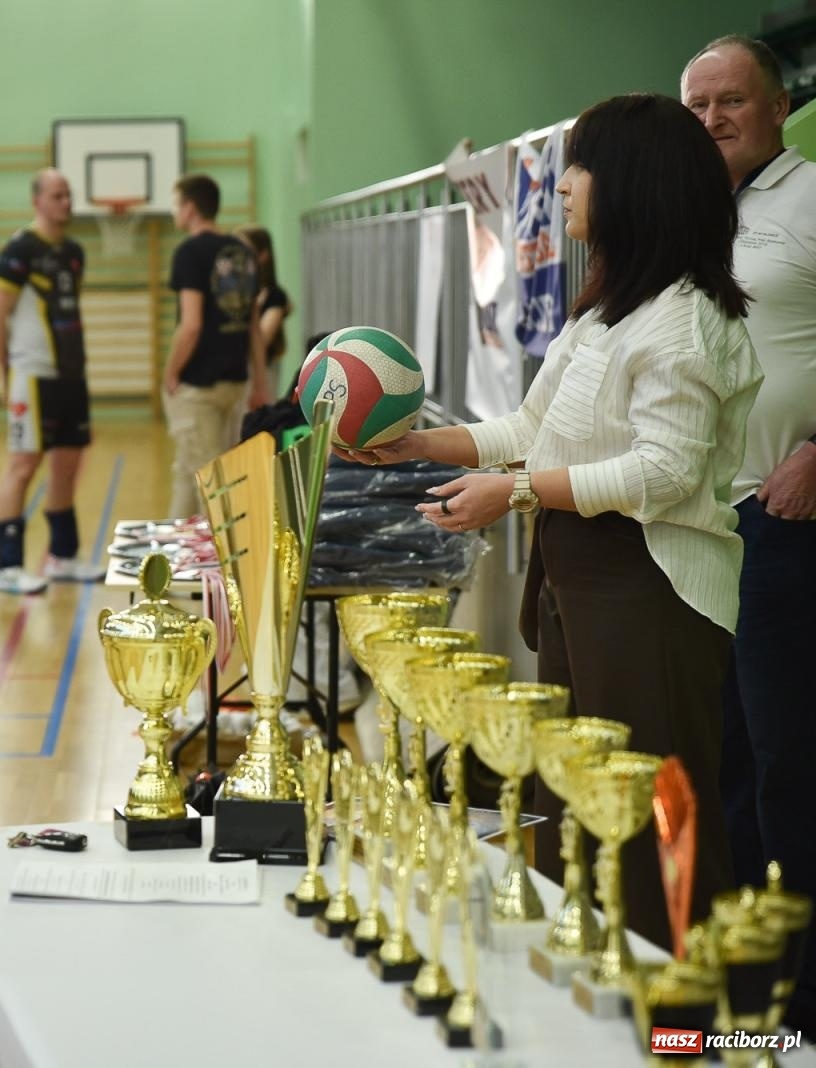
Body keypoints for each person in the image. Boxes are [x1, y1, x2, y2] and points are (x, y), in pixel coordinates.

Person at [337, 94, 760, 948]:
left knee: (651, 819)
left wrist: (518, 493)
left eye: (580, 166)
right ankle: (606, 999)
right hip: (582, 582)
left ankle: (683, 1019)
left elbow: (664, 472)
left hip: (653, 594)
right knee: (579, 806)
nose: (562, 186)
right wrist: (417, 444)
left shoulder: (682, 319)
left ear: (631, 184)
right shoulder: (610, 310)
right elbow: (529, 431)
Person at [685, 35, 816, 1029]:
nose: (714, 119)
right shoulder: (683, 220)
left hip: (781, 524)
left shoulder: (808, 199)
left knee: (787, 768)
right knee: (715, 761)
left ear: (778, 106)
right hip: (691, 533)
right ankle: (735, 995)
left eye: (732, 101)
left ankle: (804, 1010)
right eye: (696, 106)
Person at [0, 168, 107, 595]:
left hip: (71, 377)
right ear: (37, 201)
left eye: (69, 195)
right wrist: (6, 373)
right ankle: (8, 565)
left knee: (68, 465)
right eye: (57, 195)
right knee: (23, 466)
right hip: (31, 377)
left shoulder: (73, 252)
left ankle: (63, 556)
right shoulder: (19, 252)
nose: (66, 203)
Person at [163, 173, 266, 519]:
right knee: (187, 469)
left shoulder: (189, 253)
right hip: (236, 383)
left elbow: (190, 325)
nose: (175, 211)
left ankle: (219, 564)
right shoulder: (241, 251)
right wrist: (261, 383)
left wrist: (171, 372)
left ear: (190, 208)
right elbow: (252, 325)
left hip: (199, 388)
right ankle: (174, 552)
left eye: (177, 204)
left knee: (211, 485)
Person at [235, 225, 296, 400]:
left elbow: (262, 340)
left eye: (245, 249)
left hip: (262, 371)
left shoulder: (274, 296)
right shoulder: (237, 291)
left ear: (263, 255)